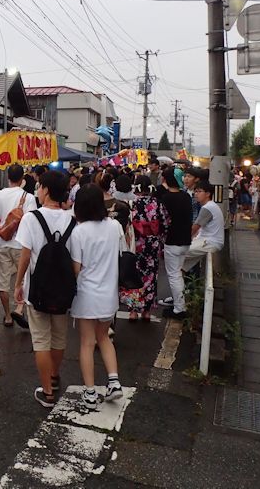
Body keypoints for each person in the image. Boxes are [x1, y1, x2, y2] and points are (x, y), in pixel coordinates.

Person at [13, 171, 74, 408]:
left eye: (39, 187)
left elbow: (25, 256)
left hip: (37, 289)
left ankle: (47, 391)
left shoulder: (31, 218)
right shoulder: (72, 220)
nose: (37, 190)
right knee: (59, 337)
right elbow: (76, 261)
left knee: (41, 341)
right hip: (62, 290)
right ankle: (55, 375)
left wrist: (18, 284)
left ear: (46, 190)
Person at [68, 184, 124, 411]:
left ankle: (90, 392)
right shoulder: (114, 226)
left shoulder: (79, 232)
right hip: (109, 294)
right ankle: (114, 381)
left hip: (86, 295)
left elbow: (76, 268)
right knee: (104, 338)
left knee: (87, 343)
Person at [0, 164, 37, 328]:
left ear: (8, 177)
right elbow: (31, 223)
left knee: (2, 282)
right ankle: (20, 307)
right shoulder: (28, 197)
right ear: (22, 178)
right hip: (21, 245)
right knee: (24, 279)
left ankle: (8, 316)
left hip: (3, 243)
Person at [123, 176, 167, 322]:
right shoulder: (157, 203)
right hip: (152, 244)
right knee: (150, 277)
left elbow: (127, 224)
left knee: (134, 277)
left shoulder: (132, 203)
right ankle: (146, 311)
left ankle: (133, 311)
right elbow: (165, 223)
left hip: (136, 244)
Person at [157, 171, 194, 319]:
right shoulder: (186, 196)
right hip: (185, 239)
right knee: (178, 273)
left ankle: (179, 309)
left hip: (172, 241)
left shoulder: (165, 199)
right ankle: (178, 301)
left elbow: (162, 221)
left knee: (174, 275)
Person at [182, 181, 225, 272]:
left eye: (199, 191)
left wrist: (183, 239)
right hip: (207, 240)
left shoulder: (207, 207)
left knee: (178, 252)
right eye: (195, 192)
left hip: (210, 242)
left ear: (208, 194)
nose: (196, 194)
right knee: (181, 266)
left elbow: (195, 228)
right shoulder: (211, 206)